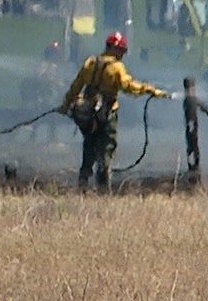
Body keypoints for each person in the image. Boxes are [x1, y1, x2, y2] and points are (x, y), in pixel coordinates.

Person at [59, 31, 168, 189]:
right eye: (122, 50)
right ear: (114, 49)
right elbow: (128, 87)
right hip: (107, 114)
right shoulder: (117, 68)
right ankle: (103, 187)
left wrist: (65, 105)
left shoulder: (90, 62)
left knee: (89, 145)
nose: (123, 54)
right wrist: (149, 90)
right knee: (107, 147)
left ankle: (83, 182)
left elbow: (76, 86)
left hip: (87, 114)